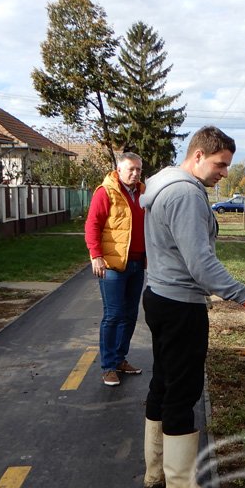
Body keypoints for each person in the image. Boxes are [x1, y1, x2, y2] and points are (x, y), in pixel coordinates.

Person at [138, 126, 245, 488]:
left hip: (159, 295)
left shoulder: (163, 183)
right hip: (181, 304)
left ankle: (156, 471)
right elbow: (201, 265)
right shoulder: (185, 194)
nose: (224, 173)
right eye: (220, 164)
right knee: (183, 392)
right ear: (198, 155)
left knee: (164, 383)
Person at [85, 151, 146, 387]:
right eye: (131, 169)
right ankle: (108, 366)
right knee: (113, 315)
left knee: (130, 314)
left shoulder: (142, 192)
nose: (135, 173)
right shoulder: (106, 191)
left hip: (137, 263)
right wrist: (96, 255)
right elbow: (92, 224)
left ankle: (120, 359)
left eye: (139, 169)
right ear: (118, 170)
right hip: (112, 265)